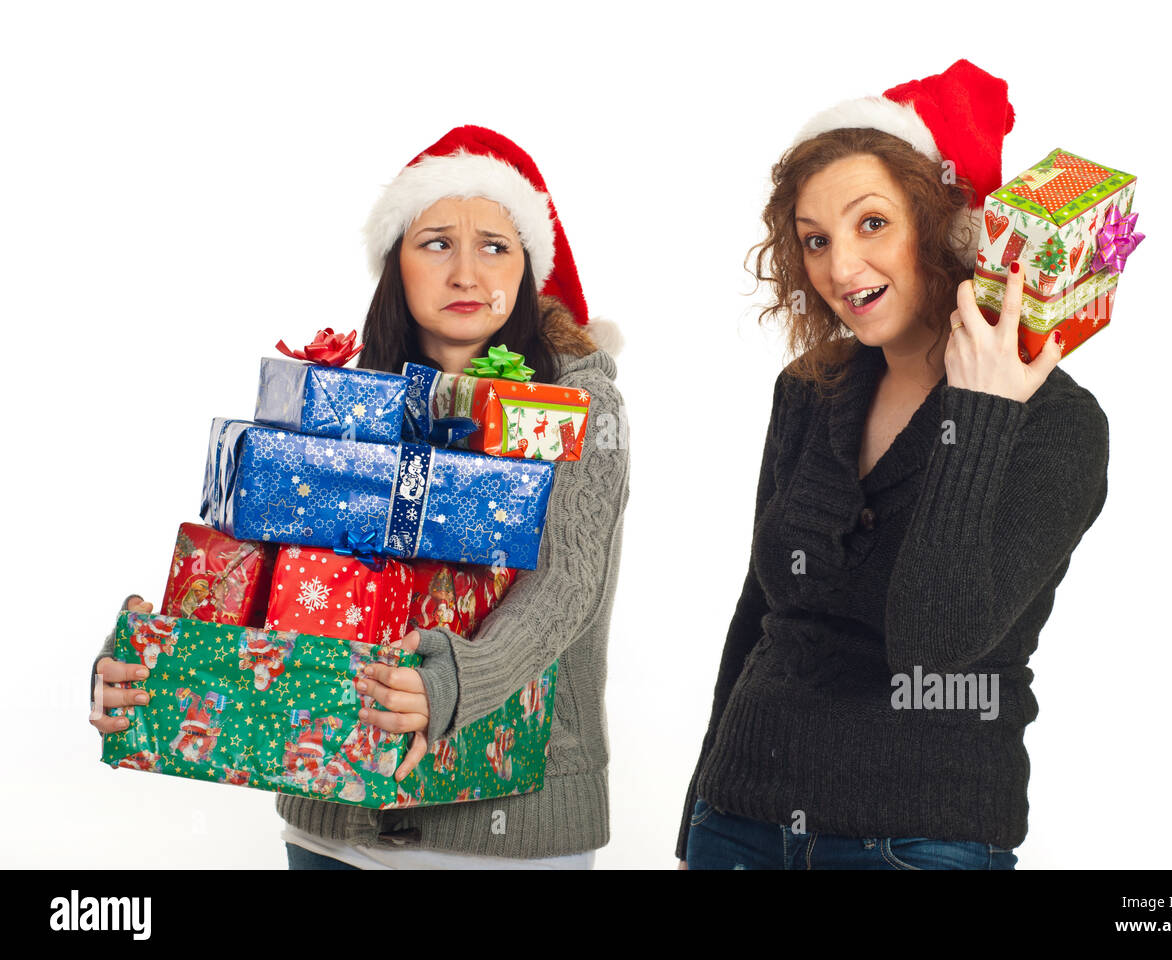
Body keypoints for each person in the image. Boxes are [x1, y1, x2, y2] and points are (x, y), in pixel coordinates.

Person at [90, 126, 629, 870]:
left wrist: (448, 682)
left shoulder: (578, 404)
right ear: (395, 264)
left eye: (496, 246)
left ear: (530, 267)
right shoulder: (340, 395)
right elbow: (267, 572)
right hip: (332, 827)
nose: (467, 272)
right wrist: (156, 661)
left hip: (505, 836)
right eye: (437, 242)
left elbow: (564, 589)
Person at [677, 60, 1109, 870]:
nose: (841, 268)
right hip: (735, 825)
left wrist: (980, 413)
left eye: (871, 223)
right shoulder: (811, 391)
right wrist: (693, 817)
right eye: (816, 240)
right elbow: (757, 614)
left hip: (918, 839)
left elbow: (933, 647)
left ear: (942, 225)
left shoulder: (1057, 426)